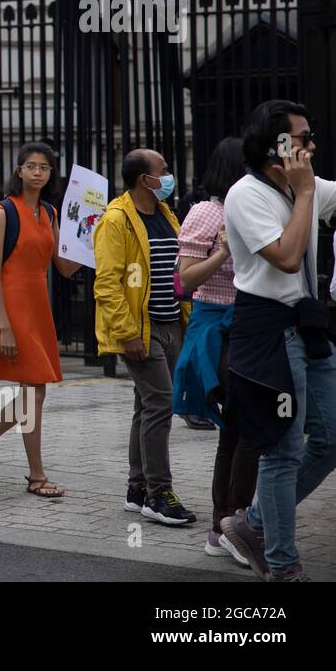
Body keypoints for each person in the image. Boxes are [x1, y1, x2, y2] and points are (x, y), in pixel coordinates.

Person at [219, 101, 336, 582]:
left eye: (311, 138)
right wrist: (305, 191)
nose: (311, 147)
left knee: (330, 439)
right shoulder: (245, 195)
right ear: (277, 145)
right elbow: (287, 257)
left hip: (307, 327)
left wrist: (306, 189)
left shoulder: (303, 186)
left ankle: (254, 524)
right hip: (267, 330)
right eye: (303, 138)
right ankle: (284, 567)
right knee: (282, 450)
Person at [0, 142, 82, 498]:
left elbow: (63, 267)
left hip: (37, 304)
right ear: (19, 171)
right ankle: (35, 475)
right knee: (35, 390)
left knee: (35, 391)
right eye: (31, 166)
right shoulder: (2, 212)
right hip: (11, 306)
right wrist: (5, 326)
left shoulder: (50, 212)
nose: (37, 173)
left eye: (44, 167)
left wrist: (89, 242)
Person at [94, 148, 194, 526]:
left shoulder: (165, 214)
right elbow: (107, 283)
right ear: (144, 179)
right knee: (161, 405)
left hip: (170, 324)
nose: (169, 176)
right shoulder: (116, 220)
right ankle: (158, 492)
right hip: (140, 330)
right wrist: (126, 333)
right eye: (163, 170)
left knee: (146, 405)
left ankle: (137, 489)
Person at [167, 137, 254, 560]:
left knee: (245, 432)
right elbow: (184, 281)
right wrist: (222, 250)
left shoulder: (255, 206)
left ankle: (233, 522)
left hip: (250, 328)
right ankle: (226, 525)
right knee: (237, 432)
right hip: (217, 328)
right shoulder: (207, 212)